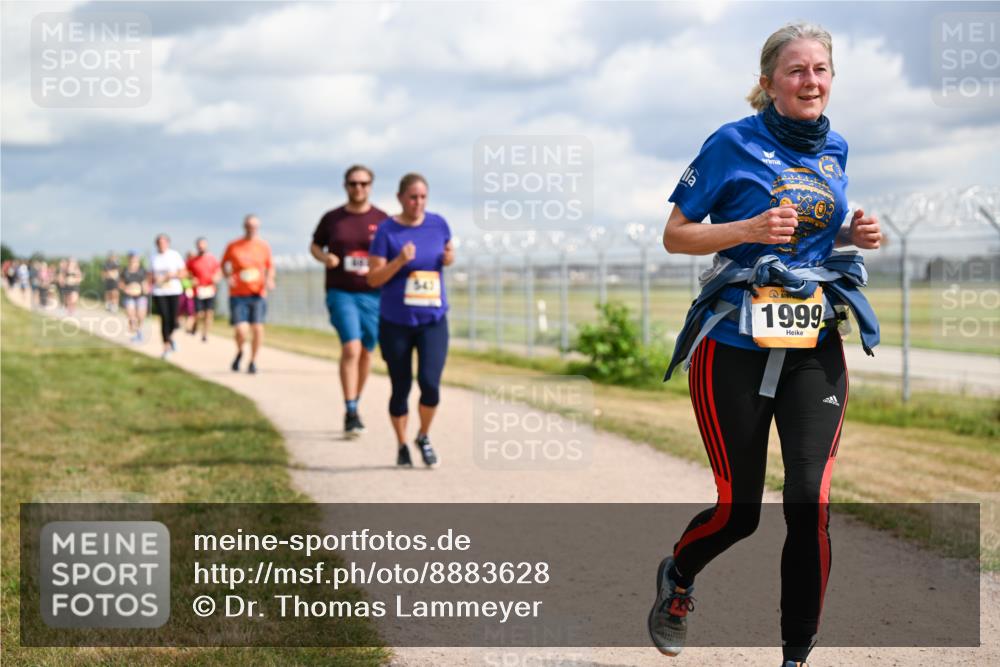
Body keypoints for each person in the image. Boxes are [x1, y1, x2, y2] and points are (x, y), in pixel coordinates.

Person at [649, 23, 882, 667]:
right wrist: (746, 228)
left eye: (821, 71)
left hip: (813, 341)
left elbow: (814, 236)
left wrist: (853, 234)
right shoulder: (729, 142)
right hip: (733, 344)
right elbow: (675, 235)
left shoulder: (835, 146)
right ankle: (679, 579)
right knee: (740, 511)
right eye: (796, 71)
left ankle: (794, 655)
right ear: (767, 83)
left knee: (809, 502)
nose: (811, 82)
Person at [367, 173, 454, 468]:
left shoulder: (438, 224)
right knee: (400, 387)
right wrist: (399, 261)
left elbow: (446, 251)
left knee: (430, 383)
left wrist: (449, 258)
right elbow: (373, 278)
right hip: (396, 321)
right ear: (400, 198)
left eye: (423, 197)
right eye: (412, 197)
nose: (418, 203)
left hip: (433, 318)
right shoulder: (386, 231)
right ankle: (402, 443)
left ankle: (424, 435)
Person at [310, 165, 388, 437]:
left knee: (367, 350)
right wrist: (324, 257)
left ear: (371, 186)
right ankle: (351, 409)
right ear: (345, 186)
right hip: (341, 292)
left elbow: (393, 252)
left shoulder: (382, 219)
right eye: (353, 183)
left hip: (374, 295)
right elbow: (315, 244)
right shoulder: (333, 219)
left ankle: (355, 401)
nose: (359, 188)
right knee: (351, 348)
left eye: (364, 183)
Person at [222, 214, 275, 374]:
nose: (252, 229)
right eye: (249, 226)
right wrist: (228, 277)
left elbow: (270, 266)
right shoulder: (233, 246)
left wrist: (269, 279)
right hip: (238, 294)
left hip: (258, 293)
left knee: (257, 328)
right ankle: (240, 351)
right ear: (244, 226)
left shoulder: (263, 246)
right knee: (241, 330)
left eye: (254, 226)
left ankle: (253, 361)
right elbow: (224, 264)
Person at [150, 234, 186, 358]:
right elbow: (150, 275)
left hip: (174, 291)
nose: (161, 245)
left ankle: (170, 338)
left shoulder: (174, 255)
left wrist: (171, 275)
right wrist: (155, 279)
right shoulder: (153, 257)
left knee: (173, 319)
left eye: (164, 242)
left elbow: (183, 273)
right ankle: (166, 346)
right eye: (159, 243)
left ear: (168, 243)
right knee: (164, 318)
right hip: (159, 292)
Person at [187, 237, 222, 342]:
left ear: (206, 245)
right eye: (199, 245)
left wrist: (217, 277)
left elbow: (219, 271)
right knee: (199, 313)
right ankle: (195, 326)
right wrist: (192, 278)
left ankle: (205, 334)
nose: (201, 247)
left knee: (209, 313)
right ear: (197, 246)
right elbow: (186, 272)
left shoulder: (212, 259)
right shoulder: (192, 261)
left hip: (210, 289)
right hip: (198, 290)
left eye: (203, 245)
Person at [119, 251, 148, 343]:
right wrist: (126, 288)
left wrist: (144, 289)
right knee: (131, 316)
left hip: (141, 296)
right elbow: (120, 283)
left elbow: (146, 283)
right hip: (129, 297)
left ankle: (138, 330)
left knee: (141, 316)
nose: (134, 261)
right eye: (132, 259)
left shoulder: (142, 271)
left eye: (135, 259)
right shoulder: (125, 271)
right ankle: (136, 334)